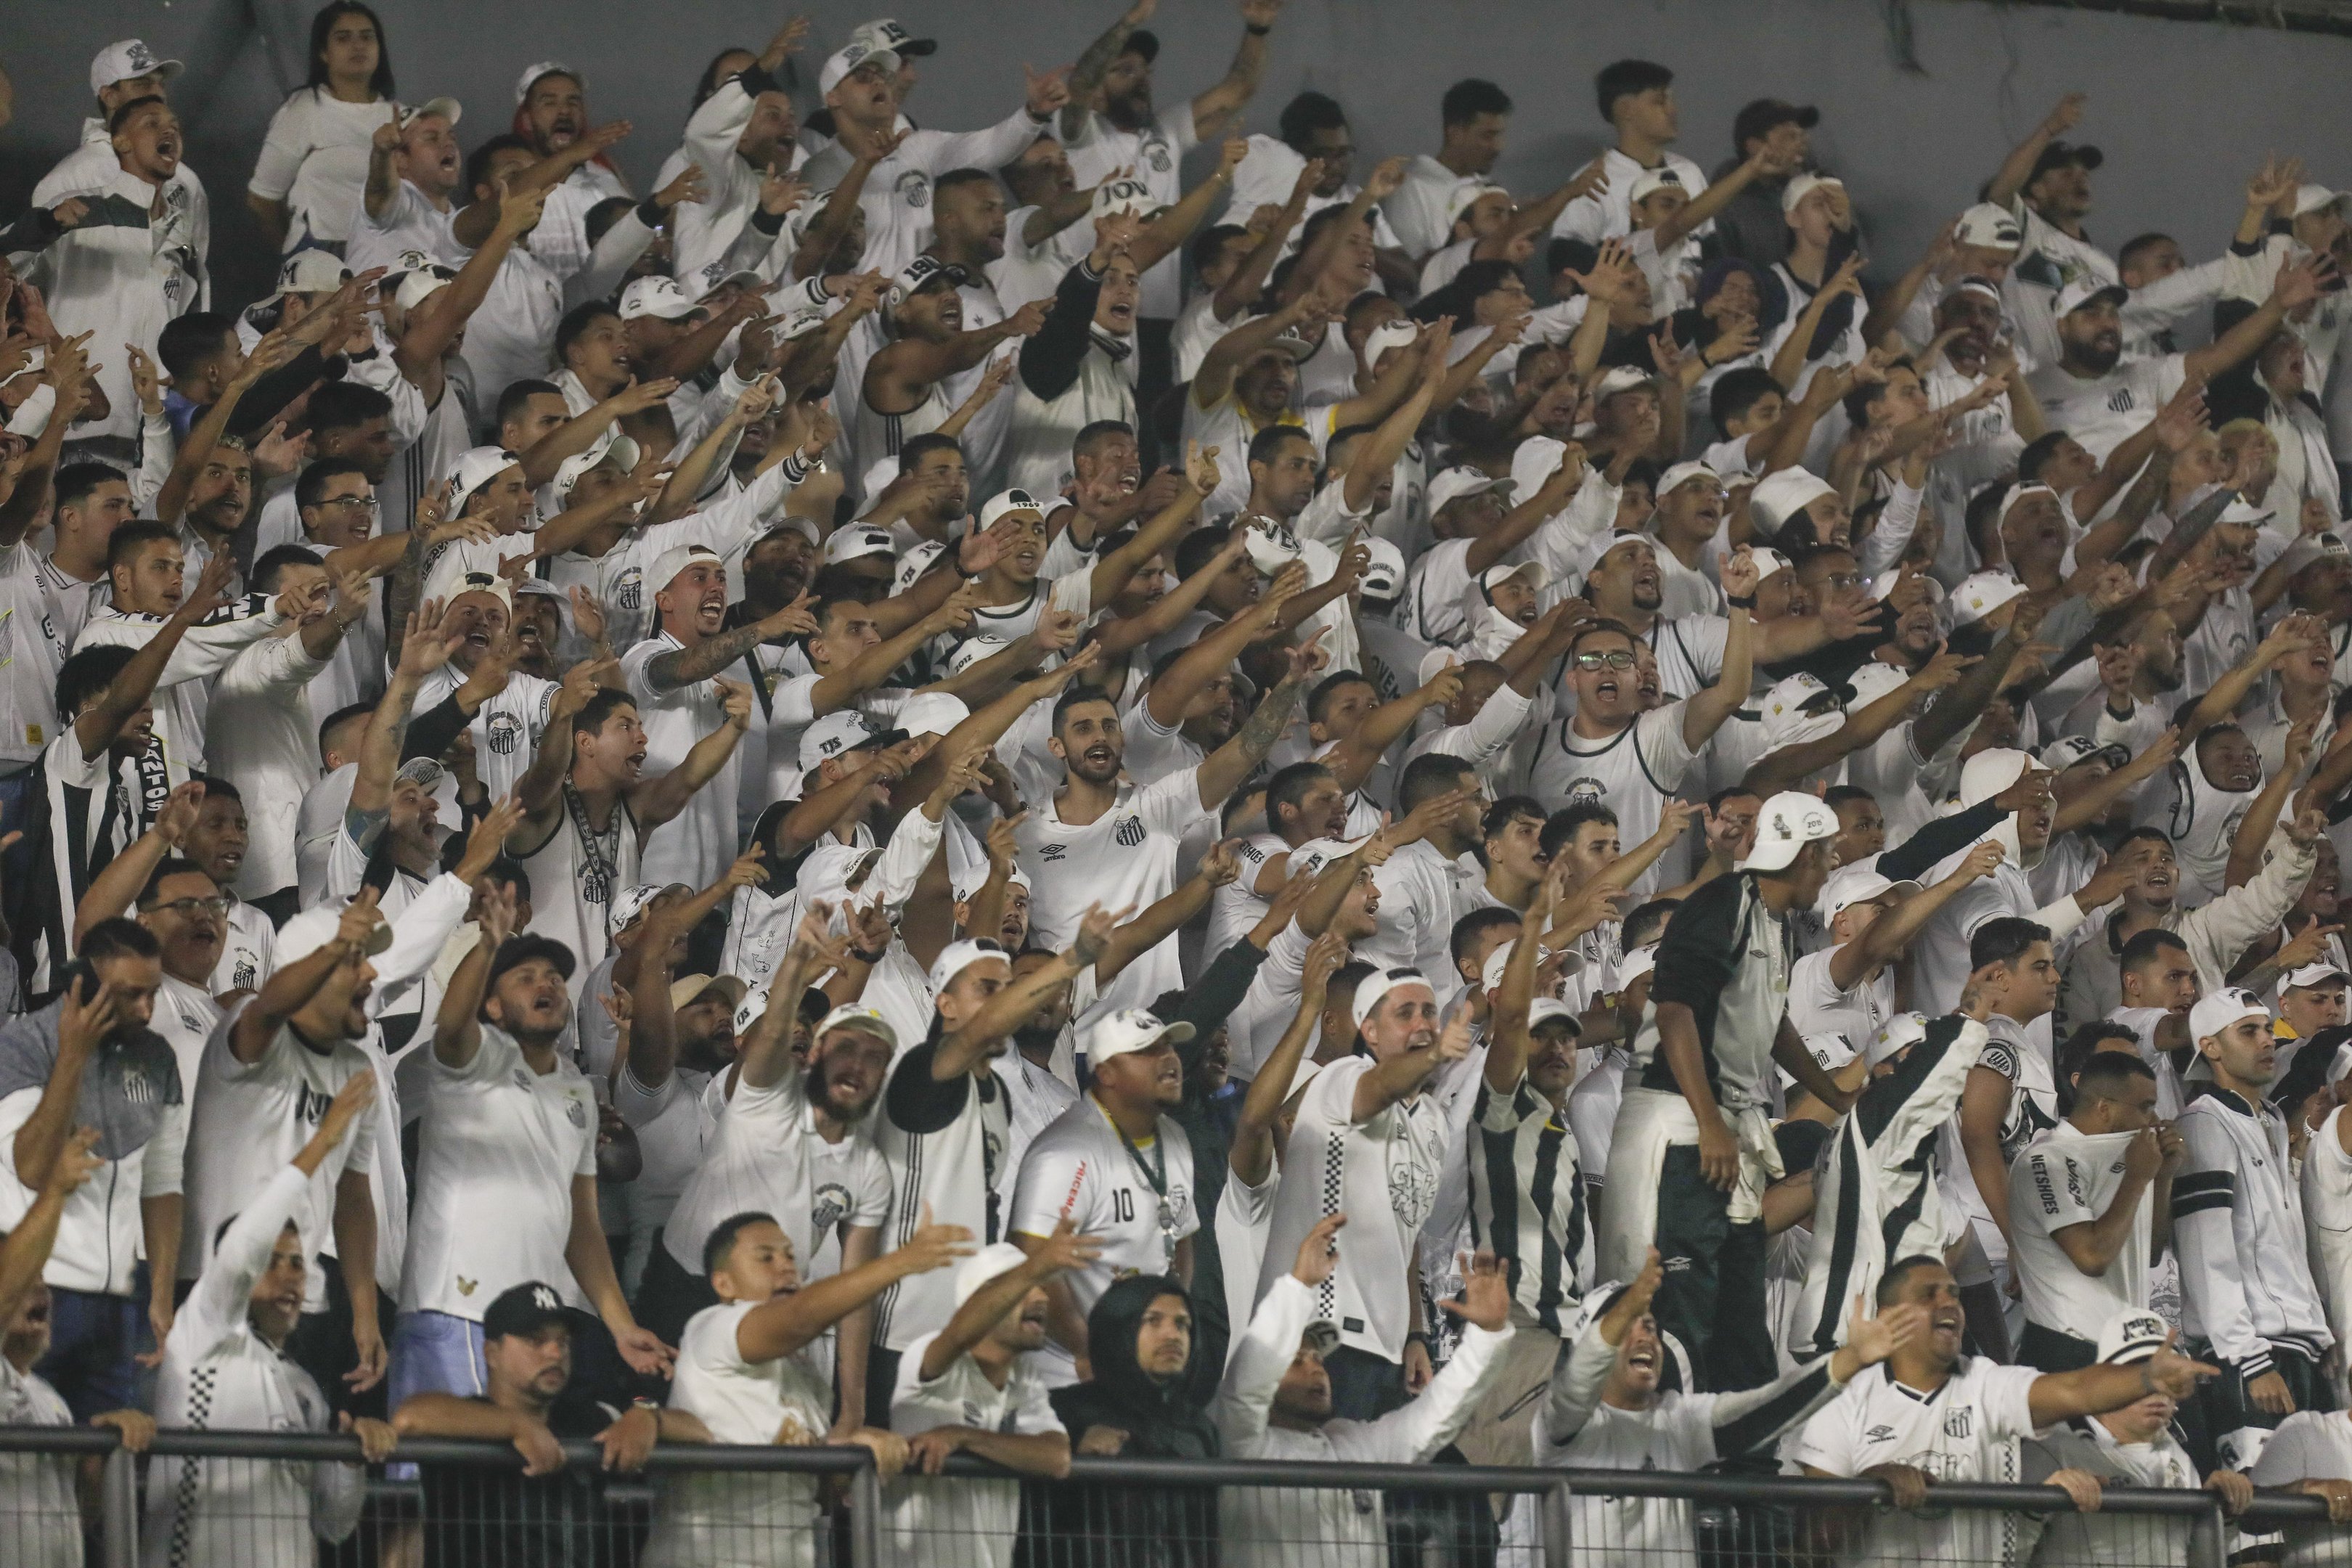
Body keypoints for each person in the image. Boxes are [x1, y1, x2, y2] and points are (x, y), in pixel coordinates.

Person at [1600, 791, 1853, 1392]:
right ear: (1801, 856)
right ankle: (1673, 1460)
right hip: (1680, 1126)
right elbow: (1675, 1011)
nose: (1830, 869)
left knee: (1739, 1305)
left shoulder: (1775, 922)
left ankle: (1744, 1466)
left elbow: (1773, 1025)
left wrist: (1837, 1098)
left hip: (1726, 1127)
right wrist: (1709, 1122)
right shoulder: (1721, 905)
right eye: (1825, 856)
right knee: (1681, 1302)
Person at [392, 879, 671, 1413]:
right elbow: (452, 1027)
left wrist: (621, 1326)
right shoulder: (458, 1064)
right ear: (492, 1006)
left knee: (515, 1486)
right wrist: (489, 945)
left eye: (553, 978)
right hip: (451, 1308)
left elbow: (583, 1225)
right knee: (434, 1486)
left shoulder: (577, 1091)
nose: (546, 984)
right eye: (525, 978)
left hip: (535, 1327)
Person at [1794, 1254, 2219, 1564]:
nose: (1949, 1303)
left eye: (1954, 1294)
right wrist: (1872, 1485)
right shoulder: (1841, 1402)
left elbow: (2073, 1390)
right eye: (1929, 1295)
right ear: (1888, 1316)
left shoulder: (1986, 1382)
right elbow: (1818, 1540)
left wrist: (2145, 1379)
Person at [141, 1070, 394, 1568]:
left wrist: (349, 1459)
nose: (290, 1277)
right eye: (271, 1261)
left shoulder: (304, 1390)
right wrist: (323, 1142)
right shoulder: (201, 1337)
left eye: (298, 1264)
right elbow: (240, 1250)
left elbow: (334, 1523)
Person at [1538, 1246, 1927, 1568]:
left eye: (1652, 1326)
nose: (1646, 1336)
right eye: (1629, 1325)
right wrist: (1630, 1305)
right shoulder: (1564, 1423)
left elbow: (1758, 1413)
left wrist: (1850, 1359)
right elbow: (1578, 1380)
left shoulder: (1676, 1418)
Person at [644, 1206, 970, 1568]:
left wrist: (855, 1457)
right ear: (725, 1284)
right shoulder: (711, 1328)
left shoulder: (805, 1372)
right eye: (765, 1258)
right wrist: (900, 1263)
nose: (786, 1266)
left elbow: (816, 1493)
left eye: (790, 1256)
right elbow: (800, 1318)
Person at [1215, 1215, 1512, 1568]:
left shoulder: (1352, 1445)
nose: (1315, 1368)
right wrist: (1298, 1287)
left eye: (1317, 1358)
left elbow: (1436, 1417)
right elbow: (1246, 1382)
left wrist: (1486, 1335)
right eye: (1296, 1360)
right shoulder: (1241, 1443)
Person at [393, 1278, 704, 1568]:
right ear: (492, 1353)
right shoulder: (466, 1419)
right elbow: (411, 1416)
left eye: (563, 1342)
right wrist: (517, 1425)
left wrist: (648, 1415)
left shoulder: (589, 1416)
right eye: (535, 1341)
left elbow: (699, 1432)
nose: (555, 1353)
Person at [0, 925, 180, 1421]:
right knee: (32, 1452)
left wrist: (161, 1295)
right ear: (82, 984)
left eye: (153, 994)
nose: (146, 1011)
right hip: (37, 1292)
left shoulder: (156, 1056)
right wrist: (73, 1055)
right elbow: (32, 1166)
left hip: (121, 1295)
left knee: (109, 1462)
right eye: (130, 996)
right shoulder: (21, 1046)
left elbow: (163, 1183)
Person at [2173, 987, 2333, 1471]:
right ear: (2211, 1047)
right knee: (2259, 1527)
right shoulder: (2204, 1123)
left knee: (2321, 1526)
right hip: (2252, 1356)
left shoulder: (2271, 1118)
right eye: (2249, 1031)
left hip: (2298, 1348)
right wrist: (2249, 1360)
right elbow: (2207, 1252)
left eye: (2268, 1029)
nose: (2267, 1040)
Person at [882, 1229, 1095, 1568]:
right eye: (1026, 1287)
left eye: (1042, 1286)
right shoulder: (927, 1355)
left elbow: (1056, 1458)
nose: (1041, 1297)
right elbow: (959, 1333)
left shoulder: (1023, 1377)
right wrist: (1037, 1263)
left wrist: (963, 1438)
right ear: (982, 1301)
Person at [1010, 1007, 1199, 1384]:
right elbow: (1033, 1266)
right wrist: (1089, 1350)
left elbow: (1181, 1238)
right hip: (1069, 1375)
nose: (1168, 1059)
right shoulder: (1065, 1151)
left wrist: (1169, 1323)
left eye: (1169, 1047)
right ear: (1106, 1073)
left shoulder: (1175, 1138)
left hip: (1142, 1366)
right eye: (1147, 1052)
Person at [0, 1125, 152, 1568]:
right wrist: (56, 1191)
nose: (42, 1293)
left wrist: (101, 1447)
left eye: (44, 1281)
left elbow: (83, 1515)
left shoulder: (53, 1406)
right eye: (28, 1281)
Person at [2022, 1307, 2257, 1567]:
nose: (2157, 1389)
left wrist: (2217, 1510)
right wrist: (2038, 1502)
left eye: (2168, 1376)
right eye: (2142, 1376)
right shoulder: (2054, 1446)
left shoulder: (2178, 1457)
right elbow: (2006, 1551)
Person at [2010, 1051, 2181, 1371]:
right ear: (2104, 1108)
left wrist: (2164, 1177)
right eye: (2145, 1107)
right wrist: (2137, 1178)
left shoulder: (2131, 1156)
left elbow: (2151, 1254)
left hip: (2125, 1348)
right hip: (2065, 1349)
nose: (2155, 1119)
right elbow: (2092, 1257)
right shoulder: (2047, 1160)